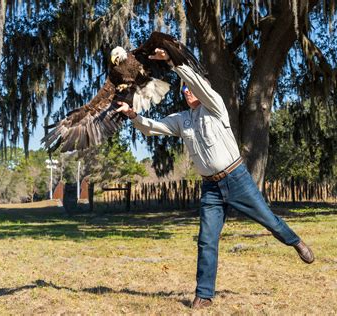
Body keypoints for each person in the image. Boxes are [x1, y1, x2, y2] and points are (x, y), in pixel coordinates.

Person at [116, 48, 314, 310]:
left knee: (268, 219)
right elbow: (154, 127)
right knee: (206, 239)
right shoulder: (182, 120)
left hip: (237, 178)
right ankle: (204, 295)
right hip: (210, 188)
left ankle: (295, 242)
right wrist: (133, 115)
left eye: (190, 88)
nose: (186, 91)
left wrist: (174, 63)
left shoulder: (215, 106)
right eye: (183, 90)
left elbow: (198, 84)